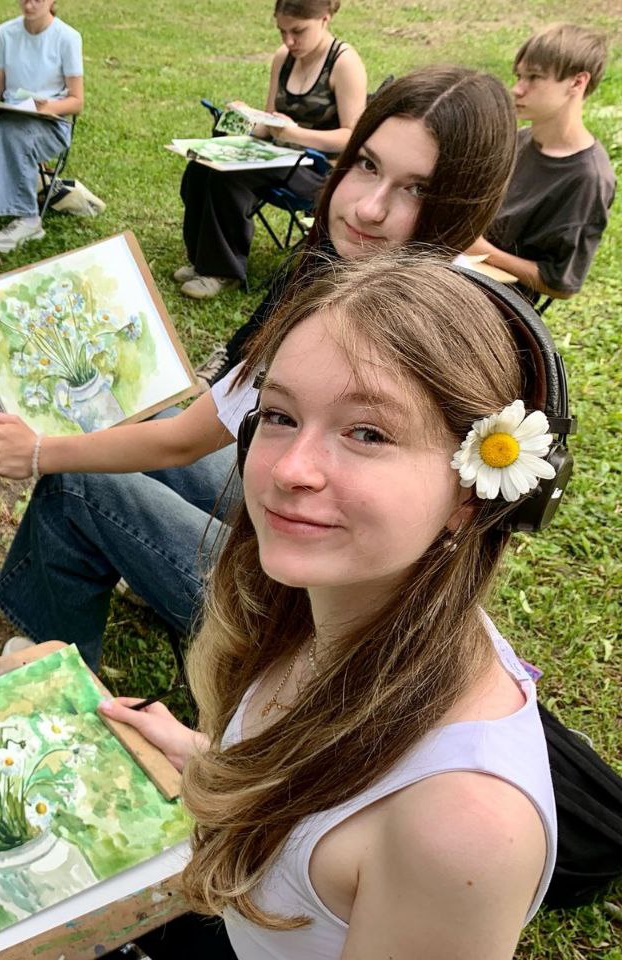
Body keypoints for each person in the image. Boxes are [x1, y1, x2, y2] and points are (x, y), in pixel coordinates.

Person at [0, 66, 516, 670]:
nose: (370, 208)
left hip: (305, 620)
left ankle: (55, 671)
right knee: (154, 423)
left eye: (416, 189)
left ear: (462, 208)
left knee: (77, 484)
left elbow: (185, 442)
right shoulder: (351, 274)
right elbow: (218, 413)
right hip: (307, 534)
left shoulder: (402, 327)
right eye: (367, 164)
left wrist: (40, 452)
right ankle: (128, 555)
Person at [101, 253, 562, 957]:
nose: (289, 469)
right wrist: (212, 761)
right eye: (279, 416)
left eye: (367, 432)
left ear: (472, 495)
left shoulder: (463, 828)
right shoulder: (327, 612)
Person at [175, 0, 365, 300]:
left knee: (229, 176)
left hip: (321, 171)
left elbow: (353, 137)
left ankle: (222, 271)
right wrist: (246, 119)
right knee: (201, 164)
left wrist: (295, 133)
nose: (289, 41)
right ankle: (201, 259)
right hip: (279, 156)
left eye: (298, 31)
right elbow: (269, 122)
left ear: (324, 19)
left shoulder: (344, 63)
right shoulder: (283, 57)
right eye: (282, 31)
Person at [470, 23, 616, 302]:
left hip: (497, 305)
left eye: (534, 77)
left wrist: (485, 252)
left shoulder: (588, 178)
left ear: (577, 82)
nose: (517, 89)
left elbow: (561, 284)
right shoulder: (519, 139)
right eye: (519, 76)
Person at [0, 0, 82, 254]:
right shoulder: (5, 33)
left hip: (50, 122)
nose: (29, 4)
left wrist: (46, 107)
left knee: (12, 130)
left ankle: (29, 218)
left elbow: (76, 101)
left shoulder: (67, 38)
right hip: (10, 113)